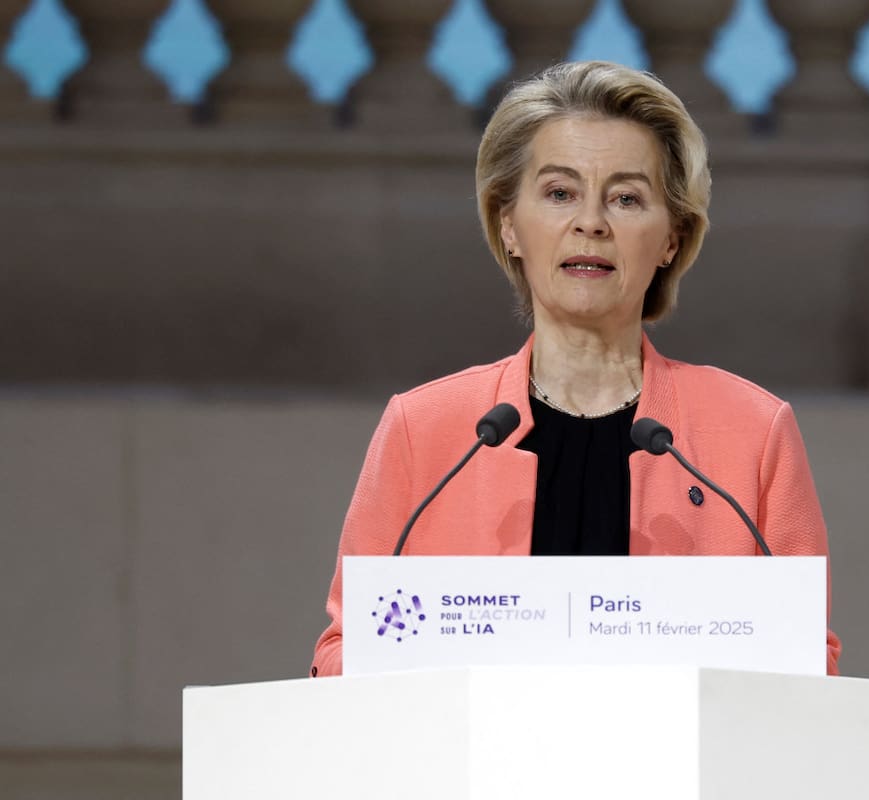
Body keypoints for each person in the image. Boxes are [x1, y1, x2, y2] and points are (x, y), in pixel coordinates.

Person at [311, 61, 840, 677]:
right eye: (560, 193)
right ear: (509, 224)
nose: (591, 222)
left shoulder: (752, 433)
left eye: (627, 198)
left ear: (671, 237)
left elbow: (807, 663)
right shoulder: (424, 431)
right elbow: (345, 651)